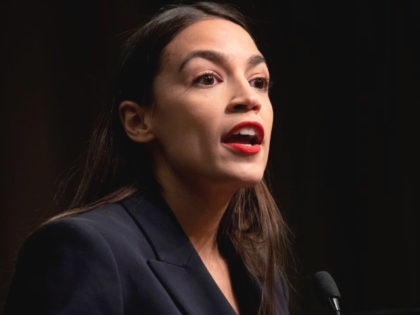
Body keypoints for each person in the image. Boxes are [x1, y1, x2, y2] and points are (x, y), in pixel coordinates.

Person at [4, 2, 293, 314]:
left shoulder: (261, 278)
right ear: (138, 121)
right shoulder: (85, 250)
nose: (249, 99)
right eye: (207, 78)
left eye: (258, 82)